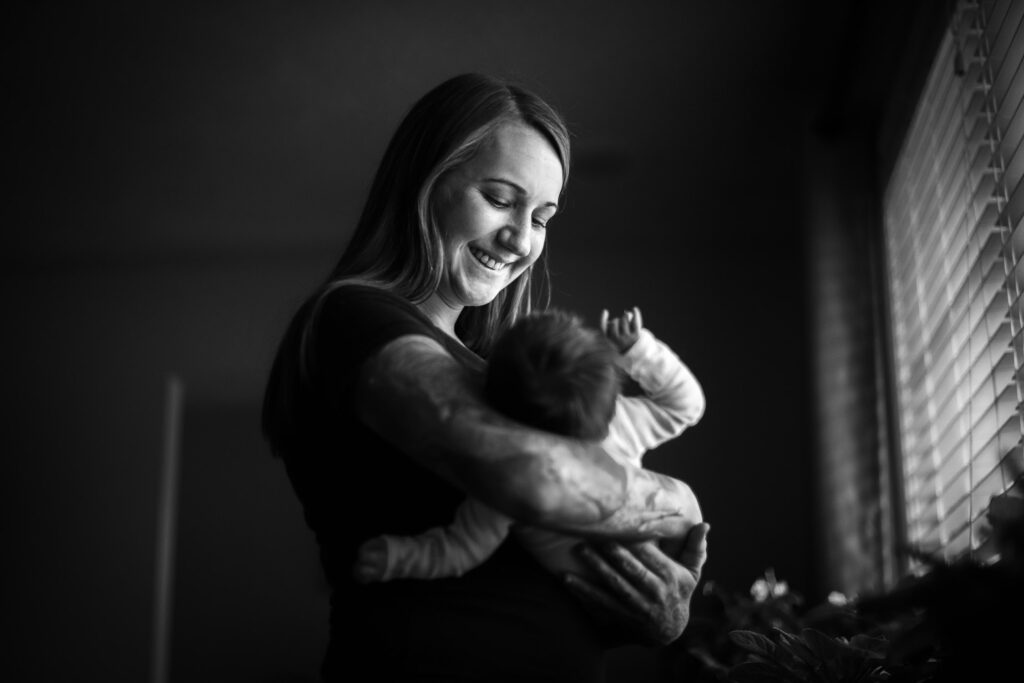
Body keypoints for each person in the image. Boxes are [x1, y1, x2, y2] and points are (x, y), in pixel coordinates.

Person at [262, 72, 710, 682]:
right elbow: (530, 478)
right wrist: (679, 501)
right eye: (500, 199)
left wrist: (653, 613)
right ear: (425, 185)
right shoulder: (352, 317)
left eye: (543, 217)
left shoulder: (496, 372)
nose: (521, 239)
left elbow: (536, 572)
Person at [352, 306, 706, 583]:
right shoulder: (623, 421)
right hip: (638, 579)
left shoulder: (508, 473)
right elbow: (687, 405)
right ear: (610, 391)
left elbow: (459, 550)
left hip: (598, 593)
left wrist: (397, 556)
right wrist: (640, 351)